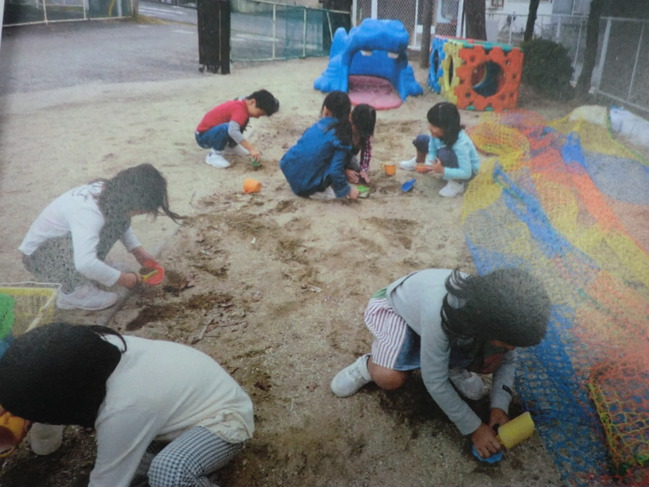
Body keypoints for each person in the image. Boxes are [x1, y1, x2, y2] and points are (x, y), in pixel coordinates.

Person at [330, 268, 550, 460]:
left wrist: (499, 406)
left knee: (493, 360)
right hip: (400, 313)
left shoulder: (498, 310)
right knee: (389, 378)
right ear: (487, 321)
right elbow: (433, 380)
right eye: (507, 342)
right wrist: (473, 428)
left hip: (451, 331)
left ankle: (449, 365)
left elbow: (508, 359)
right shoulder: (442, 311)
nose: (511, 348)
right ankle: (367, 365)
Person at [0, 323, 254, 487]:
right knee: (125, 464)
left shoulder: (123, 408)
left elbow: (107, 483)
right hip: (173, 410)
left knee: (168, 474)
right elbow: (45, 414)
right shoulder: (88, 357)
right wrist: (33, 433)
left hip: (221, 420)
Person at [19, 164, 182, 311]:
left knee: (115, 222)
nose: (140, 213)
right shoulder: (88, 213)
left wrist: (137, 250)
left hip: (62, 248)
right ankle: (73, 291)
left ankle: (95, 269)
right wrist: (123, 279)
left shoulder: (110, 193)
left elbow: (121, 222)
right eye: (140, 210)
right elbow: (84, 263)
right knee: (88, 260)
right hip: (40, 258)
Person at [280, 91, 359, 201]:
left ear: (325, 110)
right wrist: (347, 190)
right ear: (348, 114)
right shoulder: (341, 136)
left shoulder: (316, 126)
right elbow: (335, 170)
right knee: (337, 191)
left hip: (290, 171)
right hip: (305, 186)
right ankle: (315, 190)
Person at [400, 102, 480, 198]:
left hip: (468, 171)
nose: (430, 128)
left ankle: (457, 183)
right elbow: (432, 149)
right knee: (421, 139)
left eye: (434, 126)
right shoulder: (438, 135)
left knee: (445, 153)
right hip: (446, 156)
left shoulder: (461, 144)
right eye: (430, 123)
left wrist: (442, 170)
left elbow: (466, 173)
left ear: (447, 128)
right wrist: (428, 165)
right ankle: (419, 162)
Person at [195, 89, 280, 169]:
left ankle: (231, 146)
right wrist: (251, 149)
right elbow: (232, 131)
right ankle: (213, 155)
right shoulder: (240, 109)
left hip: (213, 132)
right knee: (228, 127)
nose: (258, 117)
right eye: (259, 113)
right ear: (252, 102)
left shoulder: (244, 105)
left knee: (241, 121)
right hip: (203, 136)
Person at [345, 103, 376, 185]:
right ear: (351, 118)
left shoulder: (364, 131)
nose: (360, 134)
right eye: (357, 130)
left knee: (356, 171)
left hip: (348, 155)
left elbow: (367, 149)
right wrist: (345, 171)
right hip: (329, 157)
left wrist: (364, 170)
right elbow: (331, 154)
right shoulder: (342, 128)